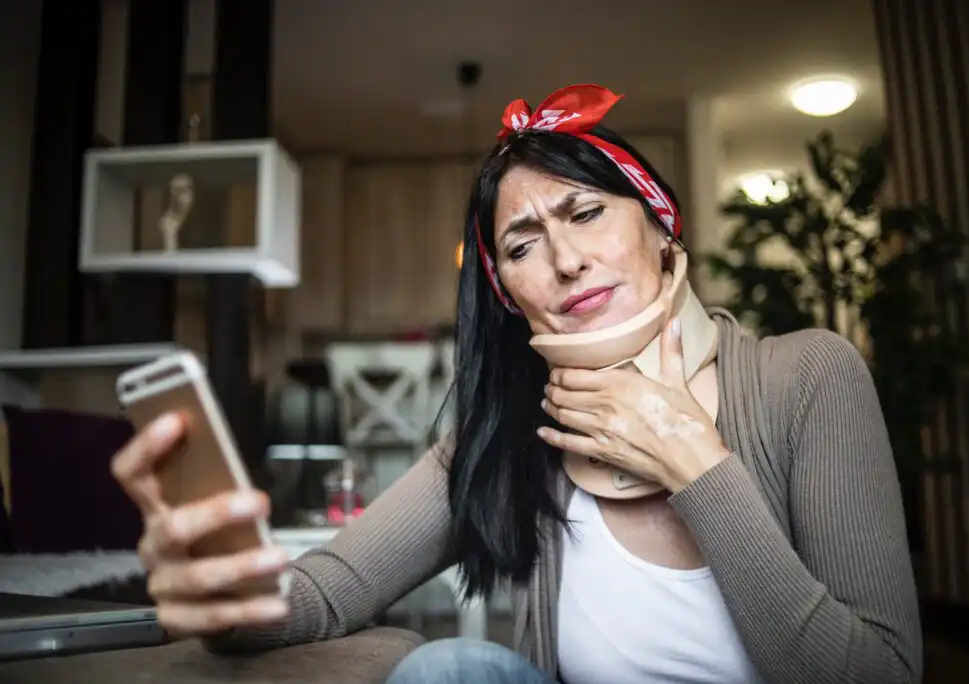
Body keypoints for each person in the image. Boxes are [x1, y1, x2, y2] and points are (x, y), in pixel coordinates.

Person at [111, 84, 922, 684]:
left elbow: (882, 673)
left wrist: (696, 466)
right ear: (505, 290)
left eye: (586, 213)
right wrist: (227, 594)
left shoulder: (809, 374)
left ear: (661, 223)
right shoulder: (503, 431)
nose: (566, 260)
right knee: (446, 668)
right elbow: (327, 592)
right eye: (523, 245)